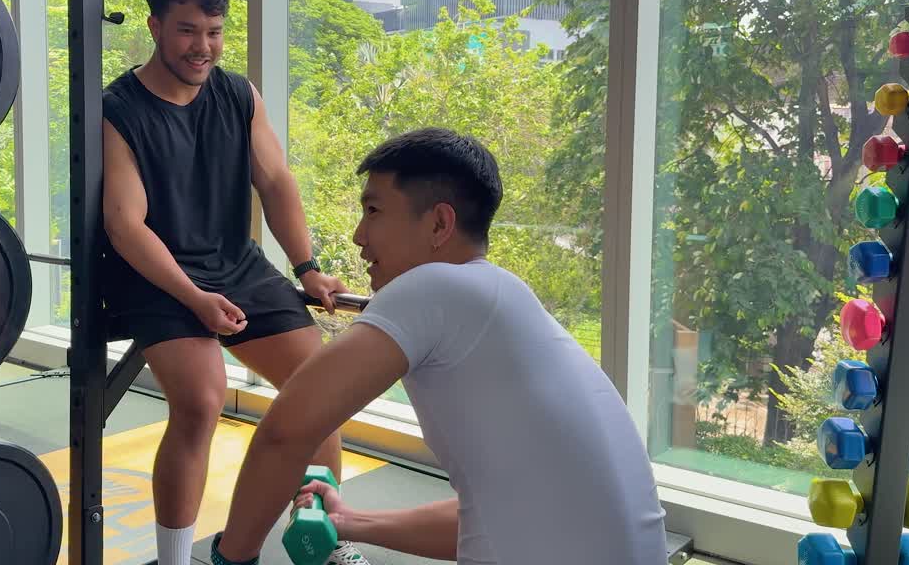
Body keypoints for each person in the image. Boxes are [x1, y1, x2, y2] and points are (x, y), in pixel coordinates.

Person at [208, 128, 669, 565]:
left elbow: (286, 433)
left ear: (439, 223)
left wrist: (233, 556)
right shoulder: (502, 294)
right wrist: (350, 523)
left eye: (373, 211)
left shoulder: (430, 288)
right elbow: (487, 519)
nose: (358, 236)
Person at [100, 0, 372, 565]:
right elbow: (125, 225)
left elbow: (275, 180)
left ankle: (323, 539)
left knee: (323, 392)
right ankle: (173, 559)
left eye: (215, 32)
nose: (204, 47)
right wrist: (194, 299)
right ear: (155, 26)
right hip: (158, 275)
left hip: (237, 265)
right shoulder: (117, 109)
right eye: (188, 31)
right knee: (201, 403)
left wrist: (307, 268)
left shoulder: (238, 94)